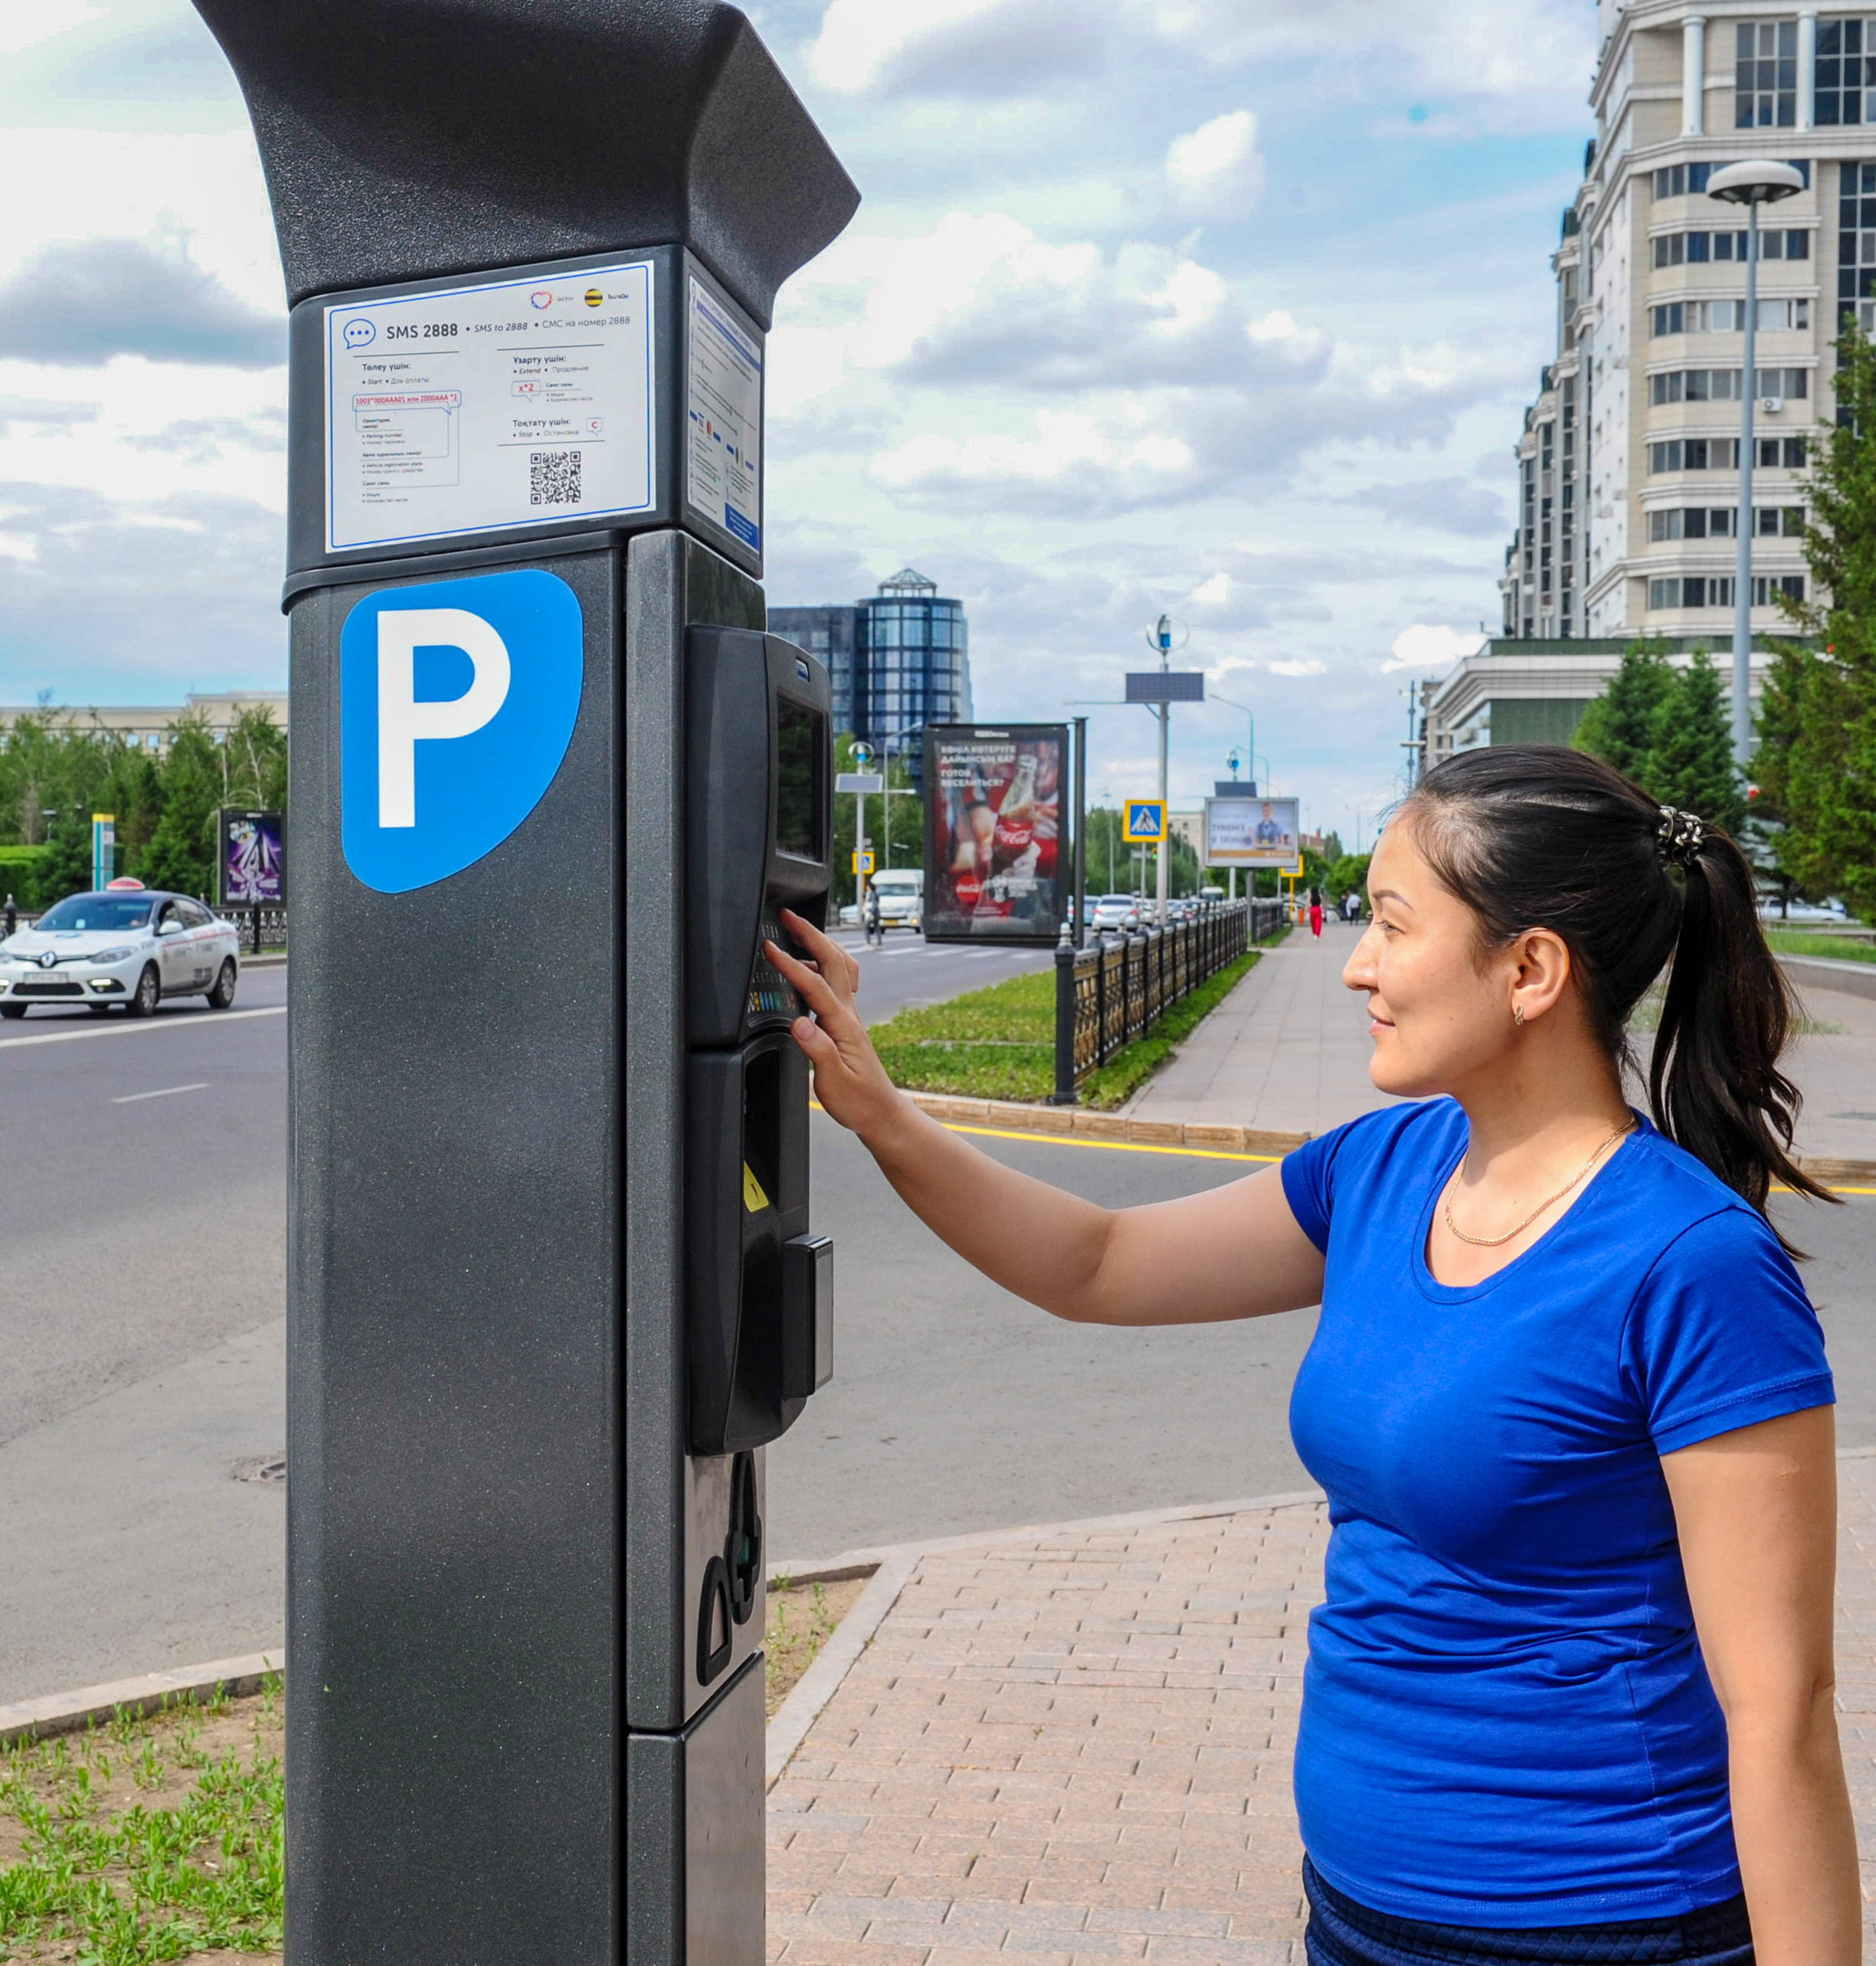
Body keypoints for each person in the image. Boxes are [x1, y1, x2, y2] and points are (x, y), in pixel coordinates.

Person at [765, 745, 1855, 1966]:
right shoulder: (1380, 1170)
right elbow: (1098, 1262)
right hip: (1357, 1909)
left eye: (1392, 925)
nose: (1354, 965)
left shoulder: (1690, 1263)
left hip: (1601, 1925)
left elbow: (1782, 1715)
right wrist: (880, 1111)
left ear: (1530, 968)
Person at [863, 880, 883, 949]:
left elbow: (874, 905)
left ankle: (868, 943)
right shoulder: (875, 894)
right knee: (877, 928)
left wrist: (871, 913)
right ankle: (880, 944)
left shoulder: (872, 895)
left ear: (869, 887)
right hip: (876, 914)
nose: (866, 888)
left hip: (872, 914)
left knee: (866, 927)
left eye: (867, 887)